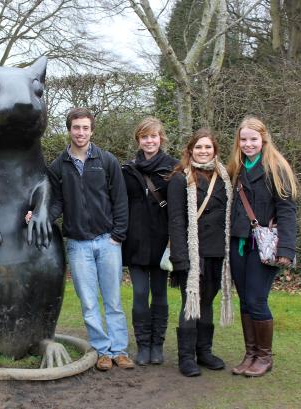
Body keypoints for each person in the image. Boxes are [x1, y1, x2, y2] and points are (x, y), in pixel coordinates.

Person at [47, 107, 133, 371]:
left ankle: (119, 350)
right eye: (76, 127)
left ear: (92, 130)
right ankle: (102, 351)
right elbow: (57, 202)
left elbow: (120, 200)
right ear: (69, 130)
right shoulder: (58, 166)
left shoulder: (106, 161)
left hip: (107, 241)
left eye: (85, 128)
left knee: (113, 301)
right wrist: (40, 218)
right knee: (88, 302)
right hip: (77, 243)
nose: (80, 132)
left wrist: (118, 236)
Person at [227, 116, 297, 377]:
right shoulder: (236, 168)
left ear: (263, 139)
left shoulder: (277, 168)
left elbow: (287, 211)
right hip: (239, 243)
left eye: (253, 139)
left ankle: (265, 357)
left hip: (265, 247)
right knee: (245, 300)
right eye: (243, 139)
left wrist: (286, 250)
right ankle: (251, 354)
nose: (248, 144)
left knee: (257, 299)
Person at [167, 129, 233, 377]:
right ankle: (186, 357)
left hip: (217, 252)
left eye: (208, 147)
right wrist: (180, 258)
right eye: (198, 147)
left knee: (207, 301)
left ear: (215, 150)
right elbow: (175, 221)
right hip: (193, 254)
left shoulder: (225, 177)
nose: (203, 151)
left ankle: (204, 351)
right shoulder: (179, 179)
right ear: (190, 150)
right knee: (190, 303)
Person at [121, 117, 178, 365]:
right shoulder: (127, 170)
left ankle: (157, 345)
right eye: (144, 137)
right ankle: (143, 345)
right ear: (138, 140)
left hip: (162, 244)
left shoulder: (174, 168)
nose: (149, 141)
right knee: (140, 294)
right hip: (135, 244)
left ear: (161, 138)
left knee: (160, 294)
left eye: (153, 136)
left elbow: (179, 209)